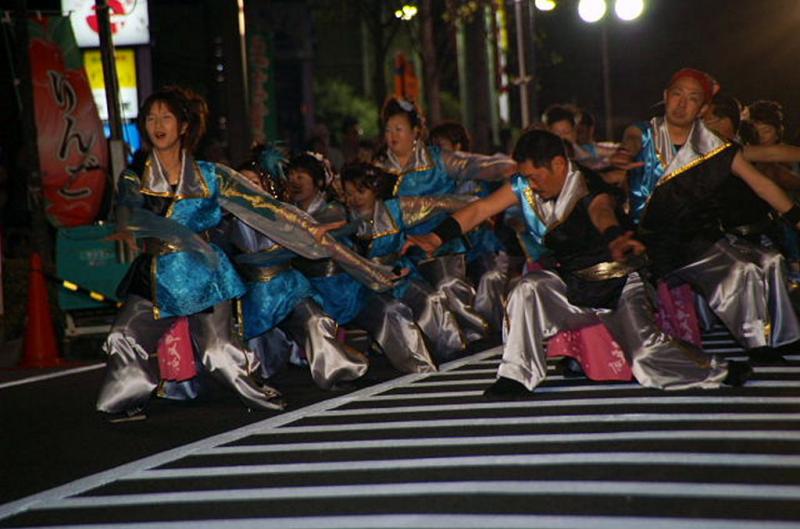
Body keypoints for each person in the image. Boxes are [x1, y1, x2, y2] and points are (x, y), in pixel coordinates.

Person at [407, 129, 749, 396]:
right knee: (528, 289)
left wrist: (615, 236)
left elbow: (601, 210)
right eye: (525, 177)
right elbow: (480, 209)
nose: (530, 184)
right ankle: (516, 375)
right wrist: (436, 238)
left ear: (558, 164)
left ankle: (719, 370)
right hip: (571, 285)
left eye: (535, 176)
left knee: (647, 361)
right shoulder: (527, 185)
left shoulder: (588, 185)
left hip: (616, 285)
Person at [617, 68, 800, 361]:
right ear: (665, 96)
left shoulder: (714, 146)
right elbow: (629, 143)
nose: (681, 104)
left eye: (692, 99)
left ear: (702, 108)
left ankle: (761, 345)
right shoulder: (643, 133)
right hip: (647, 243)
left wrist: (795, 216)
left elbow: (762, 183)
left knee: (750, 267)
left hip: (696, 243)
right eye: (676, 94)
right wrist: (623, 155)